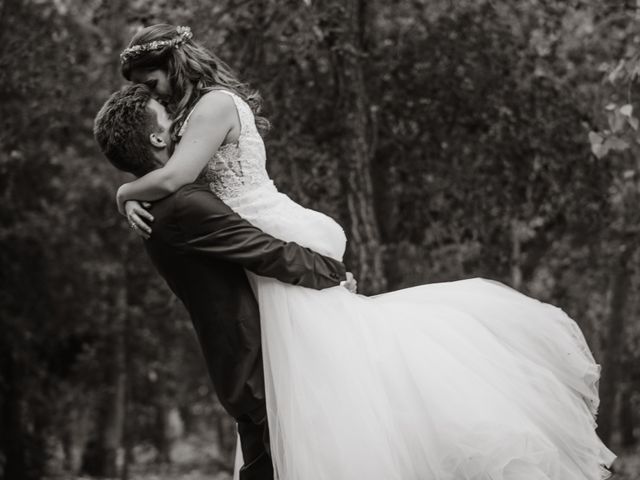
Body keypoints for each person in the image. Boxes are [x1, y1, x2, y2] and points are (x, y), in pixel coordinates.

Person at [115, 24, 615, 479]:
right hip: (259, 239)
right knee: (321, 376)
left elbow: (178, 177)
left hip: (269, 231)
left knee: (323, 381)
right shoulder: (193, 113)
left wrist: (124, 193)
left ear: (176, 64)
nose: (149, 91)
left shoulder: (213, 105)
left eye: (150, 80)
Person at [93, 83, 355, 480]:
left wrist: (125, 193)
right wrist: (334, 276)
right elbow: (267, 252)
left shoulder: (155, 204)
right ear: (158, 137)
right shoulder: (184, 205)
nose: (181, 128)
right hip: (255, 369)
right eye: (169, 121)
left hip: (242, 366)